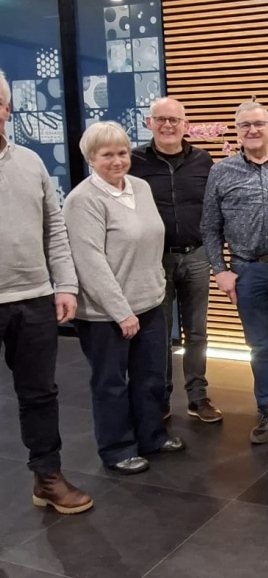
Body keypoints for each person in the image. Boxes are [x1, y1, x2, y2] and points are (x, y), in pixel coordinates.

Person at [63, 121, 185, 475]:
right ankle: (117, 449)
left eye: (121, 153)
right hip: (105, 314)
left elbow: (151, 241)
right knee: (111, 383)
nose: (117, 161)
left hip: (149, 302)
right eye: (106, 155)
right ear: (90, 159)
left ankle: (152, 436)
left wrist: (156, 287)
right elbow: (90, 264)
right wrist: (121, 312)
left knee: (150, 377)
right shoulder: (82, 200)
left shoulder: (141, 188)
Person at [0, 68, 93, 513]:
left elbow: (54, 227)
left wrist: (66, 284)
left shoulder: (30, 161)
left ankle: (47, 476)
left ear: (6, 108)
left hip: (33, 296)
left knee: (39, 393)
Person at [201, 102, 268, 443]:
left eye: (258, 124)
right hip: (247, 270)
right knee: (260, 346)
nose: (252, 131)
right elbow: (209, 227)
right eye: (244, 126)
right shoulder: (221, 172)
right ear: (236, 131)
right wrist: (220, 270)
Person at [129, 97, 222, 423]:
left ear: (185, 124)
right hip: (155, 261)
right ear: (149, 123)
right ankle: (161, 398)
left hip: (197, 256)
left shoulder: (203, 160)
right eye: (161, 119)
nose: (168, 125)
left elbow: (213, 208)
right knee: (159, 333)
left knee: (197, 332)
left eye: (174, 120)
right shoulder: (134, 160)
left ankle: (198, 397)